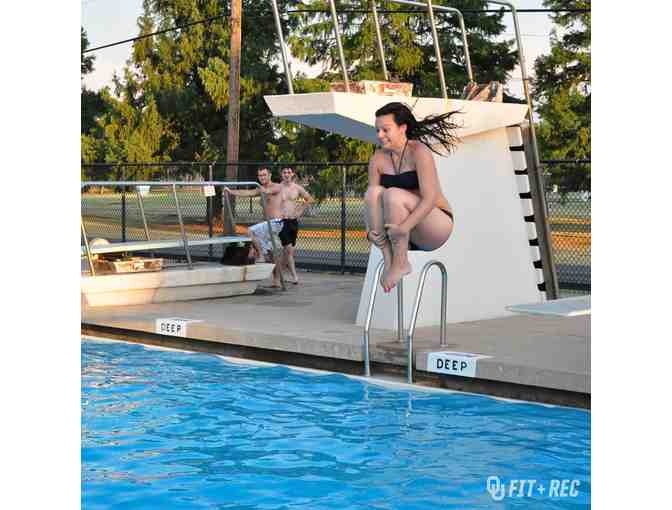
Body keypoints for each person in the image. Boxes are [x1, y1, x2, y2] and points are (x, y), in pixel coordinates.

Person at [365, 102, 461, 293]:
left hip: (435, 225)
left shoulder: (419, 152)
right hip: (399, 232)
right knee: (373, 192)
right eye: (377, 130)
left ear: (402, 128)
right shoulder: (377, 159)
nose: (380, 135)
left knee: (392, 194)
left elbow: (430, 198)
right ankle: (389, 259)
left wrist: (403, 228)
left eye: (385, 130)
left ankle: (401, 263)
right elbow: (372, 202)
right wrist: (370, 231)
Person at [224, 167, 285, 286]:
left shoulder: (277, 186)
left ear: (270, 175)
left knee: (250, 231)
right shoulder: (260, 188)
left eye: (264, 175)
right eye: (260, 176)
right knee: (273, 253)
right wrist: (231, 191)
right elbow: (248, 193)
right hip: (268, 224)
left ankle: (261, 255)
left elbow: (268, 191)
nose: (262, 177)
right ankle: (276, 280)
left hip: (276, 222)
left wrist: (259, 189)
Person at [277, 167, 315, 285]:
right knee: (288, 249)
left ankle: (278, 276)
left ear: (292, 174)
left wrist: (301, 209)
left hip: (293, 222)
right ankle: (295, 276)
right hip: (281, 222)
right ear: (281, 174)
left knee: (288, 252)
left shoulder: (297, 188)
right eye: (284, 172)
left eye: (289, 172)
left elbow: (309, 199)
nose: (286, 174)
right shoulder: (277, 188)